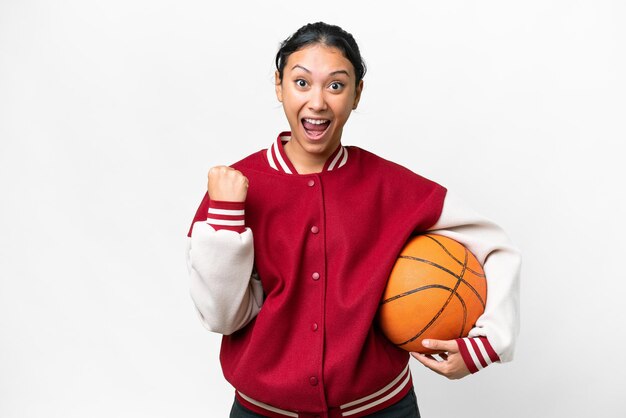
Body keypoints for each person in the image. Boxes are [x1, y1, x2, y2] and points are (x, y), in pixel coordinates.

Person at [186, 22, 520, 418]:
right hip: (263, 411)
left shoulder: (390, 185)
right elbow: (222, 317)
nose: (317, 103)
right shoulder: (235, 188)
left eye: (336, 85)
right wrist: (226, 216)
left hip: (382, 409)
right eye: (301, 83)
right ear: (279, 86)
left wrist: (487, 343)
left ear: (357, 94)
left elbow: (496, 247)